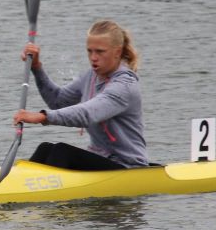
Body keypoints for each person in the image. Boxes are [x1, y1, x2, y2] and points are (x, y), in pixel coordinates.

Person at [13, 20, 149, 170]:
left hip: (127, 166)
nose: (93, 57)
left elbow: (87, 114)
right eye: (90, 51)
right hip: (101, 160)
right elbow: (58, 101)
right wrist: (36, 67)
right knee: (45, 148)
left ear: (117, 52)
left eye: (100, 51)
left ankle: (38, 184)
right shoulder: (90, 77)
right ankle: (16, 180)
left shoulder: (124, 86)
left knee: (61, 151)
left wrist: (43, 116)